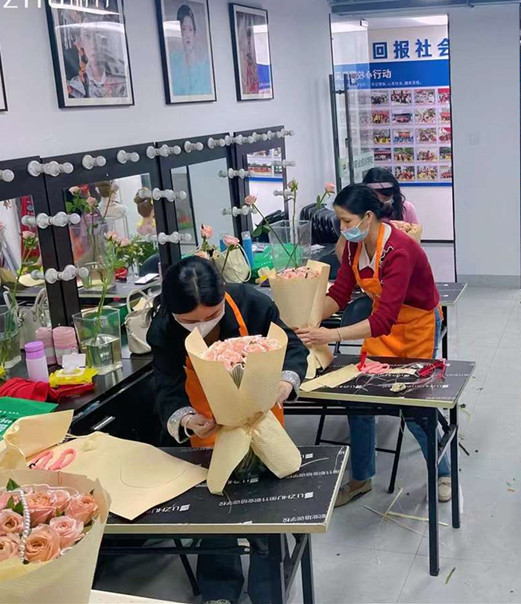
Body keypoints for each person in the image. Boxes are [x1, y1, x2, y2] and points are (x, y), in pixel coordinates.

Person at [148, 256, 308, 603]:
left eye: (212, 315)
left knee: (265, 512)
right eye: (190, 321)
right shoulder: (164, 327)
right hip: (207, 430)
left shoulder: (253, 304)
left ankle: (268, 591)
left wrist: (284, 382)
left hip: (259, 424)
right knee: (216, 514)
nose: (202, 326)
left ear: (223, 296)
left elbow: (294, 347)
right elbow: (166, 385)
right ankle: (219, 589)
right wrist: (187, 419)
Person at [294, 185, 452, 507]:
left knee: (414, 405)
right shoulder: (355, 246)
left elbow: (383, 320)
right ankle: (361, 478)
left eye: (346, 221)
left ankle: (443, 471)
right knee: (360, 400)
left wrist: (331, 336)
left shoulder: (399, 250)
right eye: (339, 221)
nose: (342, 229)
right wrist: (307, 319)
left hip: (415, 326)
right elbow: (339, 294)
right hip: (382, 322)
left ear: (368, 217)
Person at [168, 3, 213, 97]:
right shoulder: (173, 61)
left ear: (194, 32)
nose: (187, 35)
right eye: (184, 29)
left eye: (190, 29)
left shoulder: (203, 64)